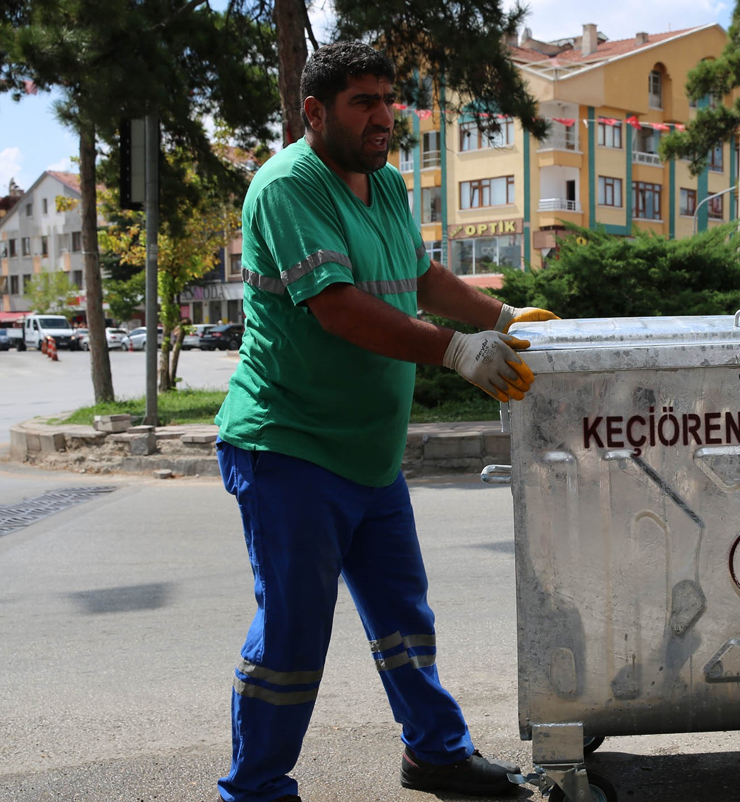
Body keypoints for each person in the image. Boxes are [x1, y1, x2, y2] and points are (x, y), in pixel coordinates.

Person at [213, 41, 558, 802]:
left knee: (405, 617)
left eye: (387, 100)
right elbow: (336, 307)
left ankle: (435, 753)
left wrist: (500, 314)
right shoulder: (286, 188)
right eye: (362, 102)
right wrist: (454, 351)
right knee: (294, 635)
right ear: (315, 111)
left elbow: (422, 275)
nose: (382, 117)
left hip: (369, 456)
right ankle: (256, 788)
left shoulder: (388, 182)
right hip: (289, 447)